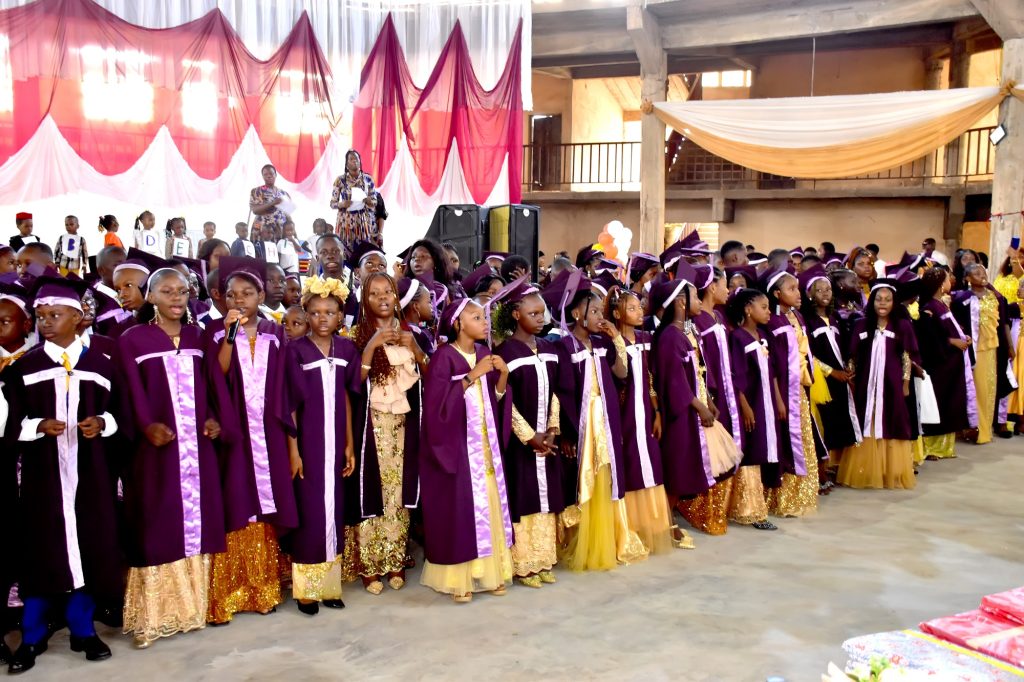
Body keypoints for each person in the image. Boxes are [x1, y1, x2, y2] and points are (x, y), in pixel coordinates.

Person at [4, 275, 120, 673]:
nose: (46, 323)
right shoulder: (25, 368)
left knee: (87, 549)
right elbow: (8, 425)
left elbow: (119, 414)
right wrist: (37, 427)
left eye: (55, 315)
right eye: (40, 316)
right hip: (43, 478)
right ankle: (32, 637)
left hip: (90, 476)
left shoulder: (100, 366)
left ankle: (82, 630)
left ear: (78, 317)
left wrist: (102, 424)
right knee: (41, 552)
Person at [117, 268, 230, 648]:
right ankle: (154, 616)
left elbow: (212, 384)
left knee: (198, 521)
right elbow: (128, 392)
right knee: (157, 521)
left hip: (197, 450)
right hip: (156, 451)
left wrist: (213, 418)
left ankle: (193, 609)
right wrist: (146, 424)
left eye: (182, 291)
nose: (177, 298)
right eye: (167, 291)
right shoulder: (133, 339)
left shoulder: (199, 337)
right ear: (150, 297)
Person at [204, 257, 298, 625]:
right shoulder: (215, 332)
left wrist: (292, 446)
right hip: (235, 431)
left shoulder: (276, 333)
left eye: (247, 293)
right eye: (231, 295)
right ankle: (229, 591)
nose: (239, 300)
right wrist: (231, 334)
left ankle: (263, 588)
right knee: (237, 501)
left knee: (267, 502)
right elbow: (218, 373)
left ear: (261, 295)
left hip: (270, 431)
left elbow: (285, 389)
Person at [543, 270, 647, 572]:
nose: (601, 317)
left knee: (606, 472)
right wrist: (563, 431)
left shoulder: (602, 342)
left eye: (603, 311)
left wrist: (616, 340)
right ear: (577, 313)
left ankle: (610, 534)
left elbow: (621, 374)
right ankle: (581, 536)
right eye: (595, 311)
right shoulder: (563, 347)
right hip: (581, 420)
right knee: (583, 473)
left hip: (604, 417)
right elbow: (560, 392)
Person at [419, 298, 514, 602]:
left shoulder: (486, 353)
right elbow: (434, 409)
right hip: (458, 448)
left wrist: (502, 377)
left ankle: (489, 574)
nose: (484, 322)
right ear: (458, 323)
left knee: (489, 504)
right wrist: (471, 377)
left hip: (485, 447)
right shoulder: (444, 358)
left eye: (484, 317)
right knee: (462, 509)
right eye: (476, 317)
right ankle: (462, 579)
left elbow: (495, 400)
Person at [346, 272, 426, 595]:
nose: (382, 298)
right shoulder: (355, 335)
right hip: (371, 426)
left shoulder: (410, 333)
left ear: (396, 297)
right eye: (374, 293)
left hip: (402, 426)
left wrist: (417, 350)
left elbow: (430, 380)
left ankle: (395, 557)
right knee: (373, 492)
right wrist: (371, 346)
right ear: (365, 300)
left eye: (388, 292)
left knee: (397, 494)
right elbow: (353, 384)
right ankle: (370, 563)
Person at [285, 275, 360, 615]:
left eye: (330, 312)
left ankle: (329, 587)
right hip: (310, 444)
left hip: (336, 444)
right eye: (315, 313)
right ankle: (306, 590)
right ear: (306, 315)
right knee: (312, 513)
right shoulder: (296, 351)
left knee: (334, 512)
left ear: (340, 316)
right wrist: (294, 450)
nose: (322, 318)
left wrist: (349, 445)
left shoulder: (346, 349)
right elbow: (291, 405)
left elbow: (346, 397)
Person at [652, 268, 739, 539]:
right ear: (680, 302)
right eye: (694, 297)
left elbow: (700, 370)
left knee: (691, 465)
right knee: (678, 466)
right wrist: (698, 405)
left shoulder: (687, 333)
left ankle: (671, 518)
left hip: (696, 406)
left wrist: (709, 399)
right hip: (682, 412)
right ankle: (665, 523)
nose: (700, 301)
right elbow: (673, 381)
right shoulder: (669, 337)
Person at [493, 279, 563, 588]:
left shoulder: (548, 349)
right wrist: (528, 436)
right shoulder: (505, 353)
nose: (540, 318)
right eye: (533, 313)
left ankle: (544, 560)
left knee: (546, 502)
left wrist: (551, 428)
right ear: (516, 315)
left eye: (542, 313)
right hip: (521, 445)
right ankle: (523, 564)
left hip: (545, 440)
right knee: (524, 500)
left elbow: (556, 393)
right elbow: (505, 402)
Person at [606, 286, 676, 551]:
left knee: (650, 461)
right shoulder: (609, 342)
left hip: (645, 412)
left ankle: (653, 525)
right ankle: (628, 525)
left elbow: (649, 380)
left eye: (639, 307)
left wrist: (656, 411)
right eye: (631, 308)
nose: (639, 312)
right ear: (616, 312)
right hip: (624, 413)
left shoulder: (646, 339)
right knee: (630, 463)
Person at [837, 279, 918, 489]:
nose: (883, 304)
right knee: (867, 418)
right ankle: (865, 469)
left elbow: (906, 357)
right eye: (879, 300)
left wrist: (906, 382)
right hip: (866, 382)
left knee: (891, 419)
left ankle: (889, 470)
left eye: (888, 300)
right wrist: (851, 373)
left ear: (894, 302)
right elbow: (853, 355)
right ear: (872, 301)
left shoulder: (902, 326)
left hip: (891, 382)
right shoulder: (862, 324)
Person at [762, 268, 818, 518]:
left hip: (798, 390)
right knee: (785, 439)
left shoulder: (795, 317)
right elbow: (773, 363)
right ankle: (779, 497)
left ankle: (798, 494)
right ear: (776, 293)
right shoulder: (771, 323)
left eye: (797, 287)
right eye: (791, 289)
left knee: (802, 438)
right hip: (782, 391)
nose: (798, 293)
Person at [800, 264, 862, 474]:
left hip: (840, 378)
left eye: (828, 289)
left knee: (840, 419)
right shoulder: (808, 322)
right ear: (810, 295)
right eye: (819, 290)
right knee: (824, 421)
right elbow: (809, 354)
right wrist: (831, 372)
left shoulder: (835, 318)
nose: (825, 294)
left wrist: (847, 367)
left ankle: (836, 465)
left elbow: (844, 347)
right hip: (822, 379)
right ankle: (821, 468)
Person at [726, 288, 780, 530]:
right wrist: (745, 406)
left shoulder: (762, 335)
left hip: (767, 402)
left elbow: (772, 373)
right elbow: (735, 374)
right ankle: (749, 510)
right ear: (748, 309)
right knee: (752, 449)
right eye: (764, 307)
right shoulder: (738, 337)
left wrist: (778, 400)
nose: (769, 311)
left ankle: (761, 504)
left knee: (765, 449)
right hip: (752, 402)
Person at [915, 267, 976, 459]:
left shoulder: (941, 304)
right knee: (940, 403)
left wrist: (962, 336)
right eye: (948, 279)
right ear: (942, 285)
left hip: (952, 364)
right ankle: (932, 447)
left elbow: (948, 328)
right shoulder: (929, 307)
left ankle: (944, 447)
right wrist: (952, 341)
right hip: (941, 365)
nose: (952, 281)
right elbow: (929, 337)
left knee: (951, 403)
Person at [952, 263, 1014, 444]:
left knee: (988, 388)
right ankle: (971, 427)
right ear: (968, 279)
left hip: (991, 349)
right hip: (972, 350)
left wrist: (1009, 345)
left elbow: (1004, 324)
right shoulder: (961, 298)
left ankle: (985, 428)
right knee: (974, 388)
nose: (982, 275)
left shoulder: (996, 298)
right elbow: (956, 325)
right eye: (976, 273)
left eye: (983, 271)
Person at [330, 150, 379, 250]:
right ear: (347, 164)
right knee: (345, 252)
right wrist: (342, 204)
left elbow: (375, 201)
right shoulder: (340, 180)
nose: (354, 161)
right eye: (351, 159)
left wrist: (369, 201)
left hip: (363, 222)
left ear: (360, 161)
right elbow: (332, 204)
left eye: (356, 158)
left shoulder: (368, 179)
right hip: (345, 222)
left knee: (361, 251)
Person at [250, 164, 292, 237]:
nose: (268, 176)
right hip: (262, 230)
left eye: (271, 173)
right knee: (263, 248)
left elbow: (288, 214)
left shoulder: (284, 193)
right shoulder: (257, 191)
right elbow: (255, 210)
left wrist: (293, 231)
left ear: (275, 175)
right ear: (262, 176)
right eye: (265, 174)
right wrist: (272, 203)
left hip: (280, 231)